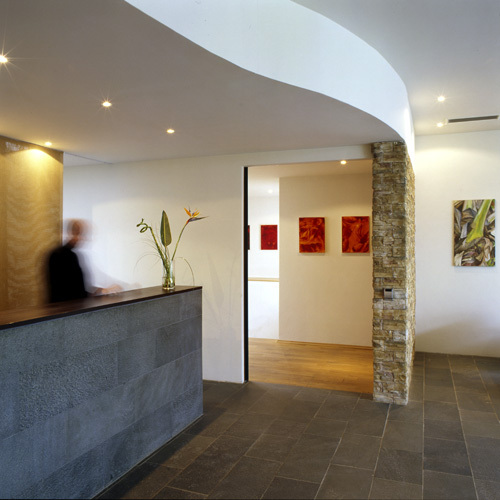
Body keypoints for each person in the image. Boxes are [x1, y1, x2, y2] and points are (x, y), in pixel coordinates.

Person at [47, 219, 89, 303]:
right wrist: (94, 293)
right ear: (70, 233)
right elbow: (70, 287)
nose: (81, 238)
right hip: (65, 306)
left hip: (68, 306)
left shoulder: (70, 255)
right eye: (78, 233)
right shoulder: (59, 255)